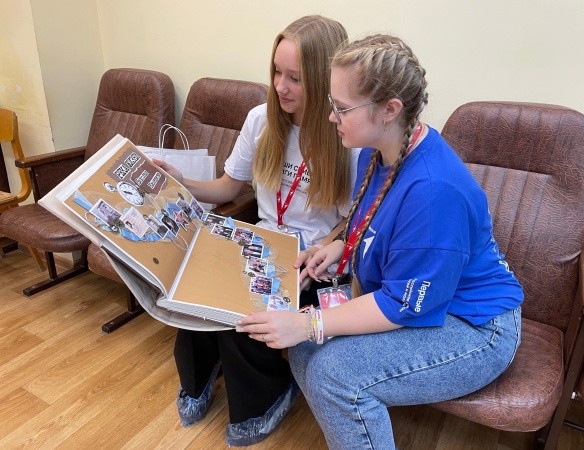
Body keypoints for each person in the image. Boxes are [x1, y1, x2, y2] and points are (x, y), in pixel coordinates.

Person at [235, 34, 524, 449]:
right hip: (425, 299)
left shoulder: (433, 191)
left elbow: (402, 303)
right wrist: (339, 247)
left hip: (476, 327)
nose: (330, 116)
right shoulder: (377, 151)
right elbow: (373, 220)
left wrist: (308, 322)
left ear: (390, 110)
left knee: (334, 373)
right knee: (305, 350)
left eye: (341, 108)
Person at [154, 15, 357, 447]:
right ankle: (198, 377)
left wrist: (323, 247)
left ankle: (266, 397)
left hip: (310, 260)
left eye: (295, 78)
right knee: (195, 293)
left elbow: (352, 221)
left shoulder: (345, 136)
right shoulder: (260, 119)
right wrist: (182, 181)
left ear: (324, 80)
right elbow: (229, 187)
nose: (280, 86)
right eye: (276, 72)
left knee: (247, 317)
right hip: (261, 241)